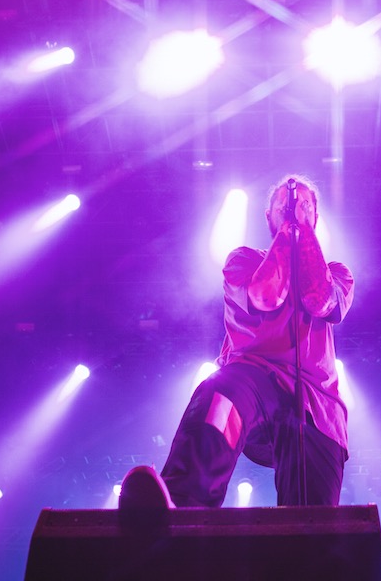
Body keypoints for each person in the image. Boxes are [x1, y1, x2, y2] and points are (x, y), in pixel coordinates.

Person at [121, 174, 355, 510]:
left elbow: (320, 302)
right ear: (269, 217)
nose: (295, 210)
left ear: (316, 217)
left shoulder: (338, 273)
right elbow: (266, 296)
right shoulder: (243, 260)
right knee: (220, 388)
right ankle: (182, 504)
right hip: (253, 380)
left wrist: (301, 230)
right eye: (285, 206)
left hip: (317, 406)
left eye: (305, 206)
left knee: (313, 521)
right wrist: (290, 230)